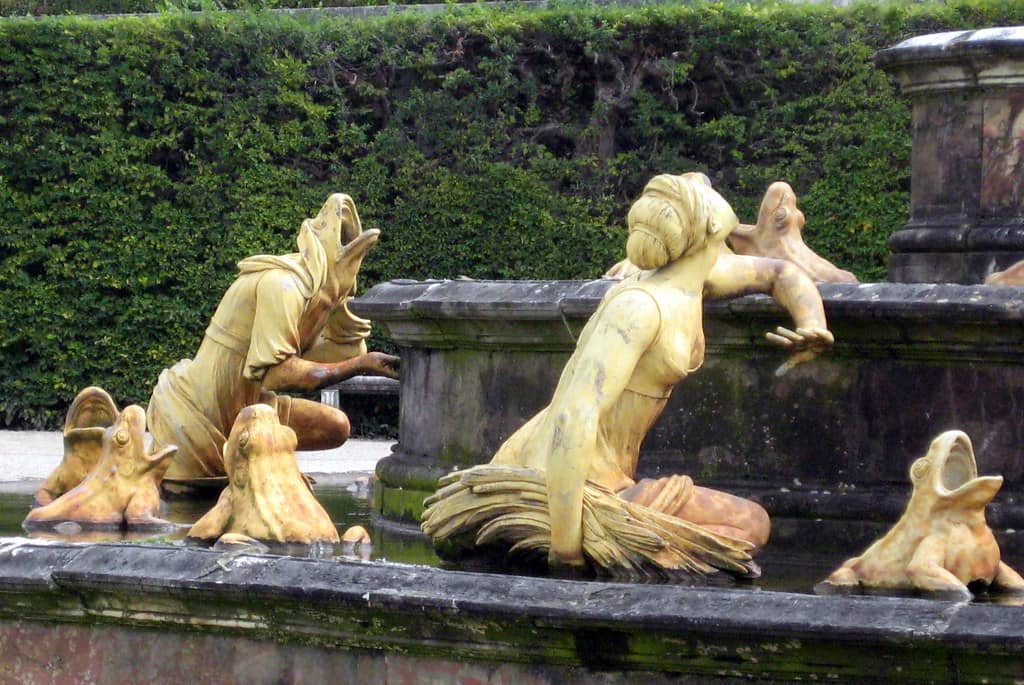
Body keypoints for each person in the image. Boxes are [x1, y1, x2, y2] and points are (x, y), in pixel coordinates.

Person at [423, 173, 833, 577]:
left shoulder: (695, 279)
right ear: (711, 227)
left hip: (606, 471)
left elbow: (779, 273)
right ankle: (597, 537)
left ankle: (627, 543)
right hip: (568, 476)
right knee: (749, 525)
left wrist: (812, 323)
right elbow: (575, 416)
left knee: (739, 531)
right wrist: (566, 551)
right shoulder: (640, 307)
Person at [147, 194, 399, 483]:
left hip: (253, 409)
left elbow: (333, 355)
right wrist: (361, 364)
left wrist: (338, 307)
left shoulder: (317, 298)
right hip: (201, 414)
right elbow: (278, 375)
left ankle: (267, 457)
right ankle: (266, 461)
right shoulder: (283, 285)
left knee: (336, 426)